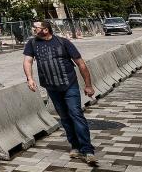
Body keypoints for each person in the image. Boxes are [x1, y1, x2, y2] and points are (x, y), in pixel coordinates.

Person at [23, 20, 97, 165]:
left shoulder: (63, 42)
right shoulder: (32, 44)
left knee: (75, 114)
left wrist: (88, 85)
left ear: (45, 30)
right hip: (51, 88)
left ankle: (87, 150)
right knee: (64, 117)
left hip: (69, 85)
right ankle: (75, 145)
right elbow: (27, 61)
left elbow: (81, 63)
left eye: (35, 28)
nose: (33, 30)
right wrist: (30, 78)